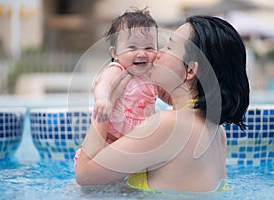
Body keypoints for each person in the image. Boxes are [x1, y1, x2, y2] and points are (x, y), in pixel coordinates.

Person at [75, 15, 250, 192]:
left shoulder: (168, 125)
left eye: (169, 47)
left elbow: (85, 175)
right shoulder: (217, 132)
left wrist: (109, 102)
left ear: (190, 69)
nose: (156, 53)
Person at [91, 9, 158, 143]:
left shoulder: (152, 75)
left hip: (140, 141)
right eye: (132, 47)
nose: (141, 54)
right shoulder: (118, 70)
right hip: (111, 141)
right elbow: (104, 83)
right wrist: (102, 99)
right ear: (115, 53)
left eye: (149, 48)